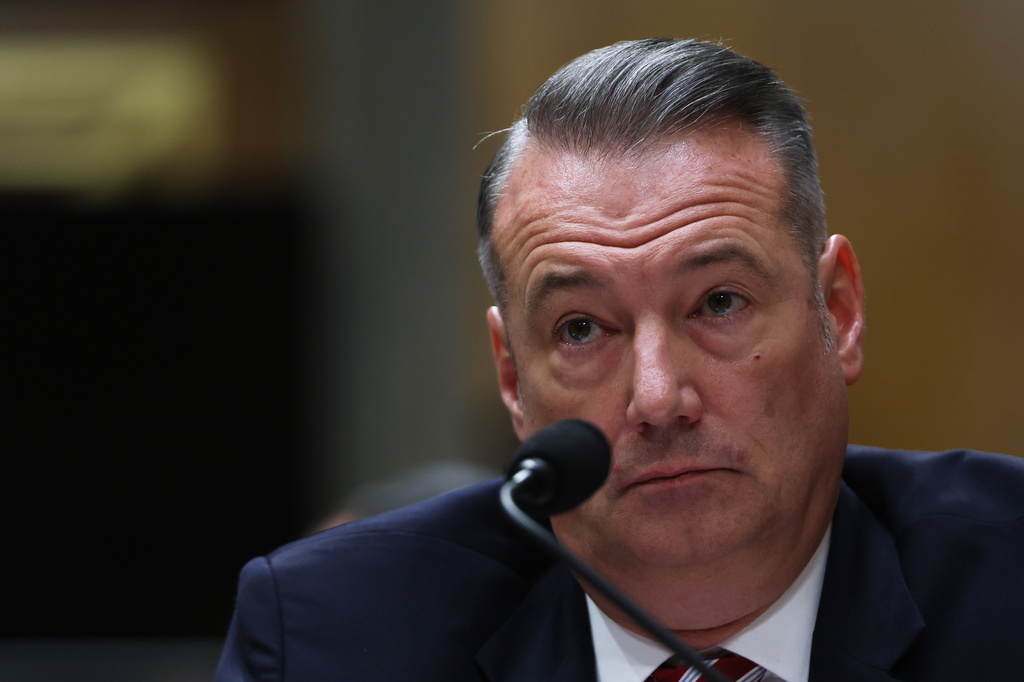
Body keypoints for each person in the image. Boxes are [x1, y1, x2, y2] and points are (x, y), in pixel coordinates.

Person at [215, 38, 1024, 682]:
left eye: (718, 303)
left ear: (838, 314)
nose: (658, 397)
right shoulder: (332, 638)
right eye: (580, 329)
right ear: (511, 377)